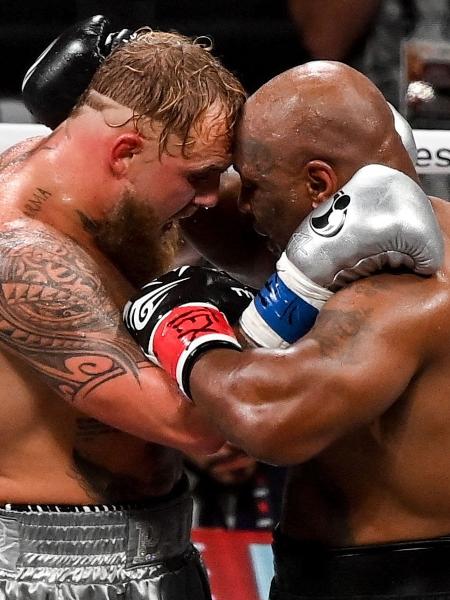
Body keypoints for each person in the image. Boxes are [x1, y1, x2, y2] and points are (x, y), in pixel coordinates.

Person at [124, 61, 450, 599]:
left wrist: (184, 328)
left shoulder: (404, 293)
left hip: (398, 581)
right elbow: (223, 220)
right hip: (327, 566)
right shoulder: (344, 242)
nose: (242, 201)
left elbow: (270, 419)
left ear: (319, 182)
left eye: (252, 185)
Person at [0, 16, 251, 600]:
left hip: (158, 544)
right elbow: (191, 425)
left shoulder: (100, 191)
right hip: (51, 574)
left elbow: (245, 221)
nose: (213, 196)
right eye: (201, 177)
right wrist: (270, 318)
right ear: (125, 151)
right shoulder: (24, 258)